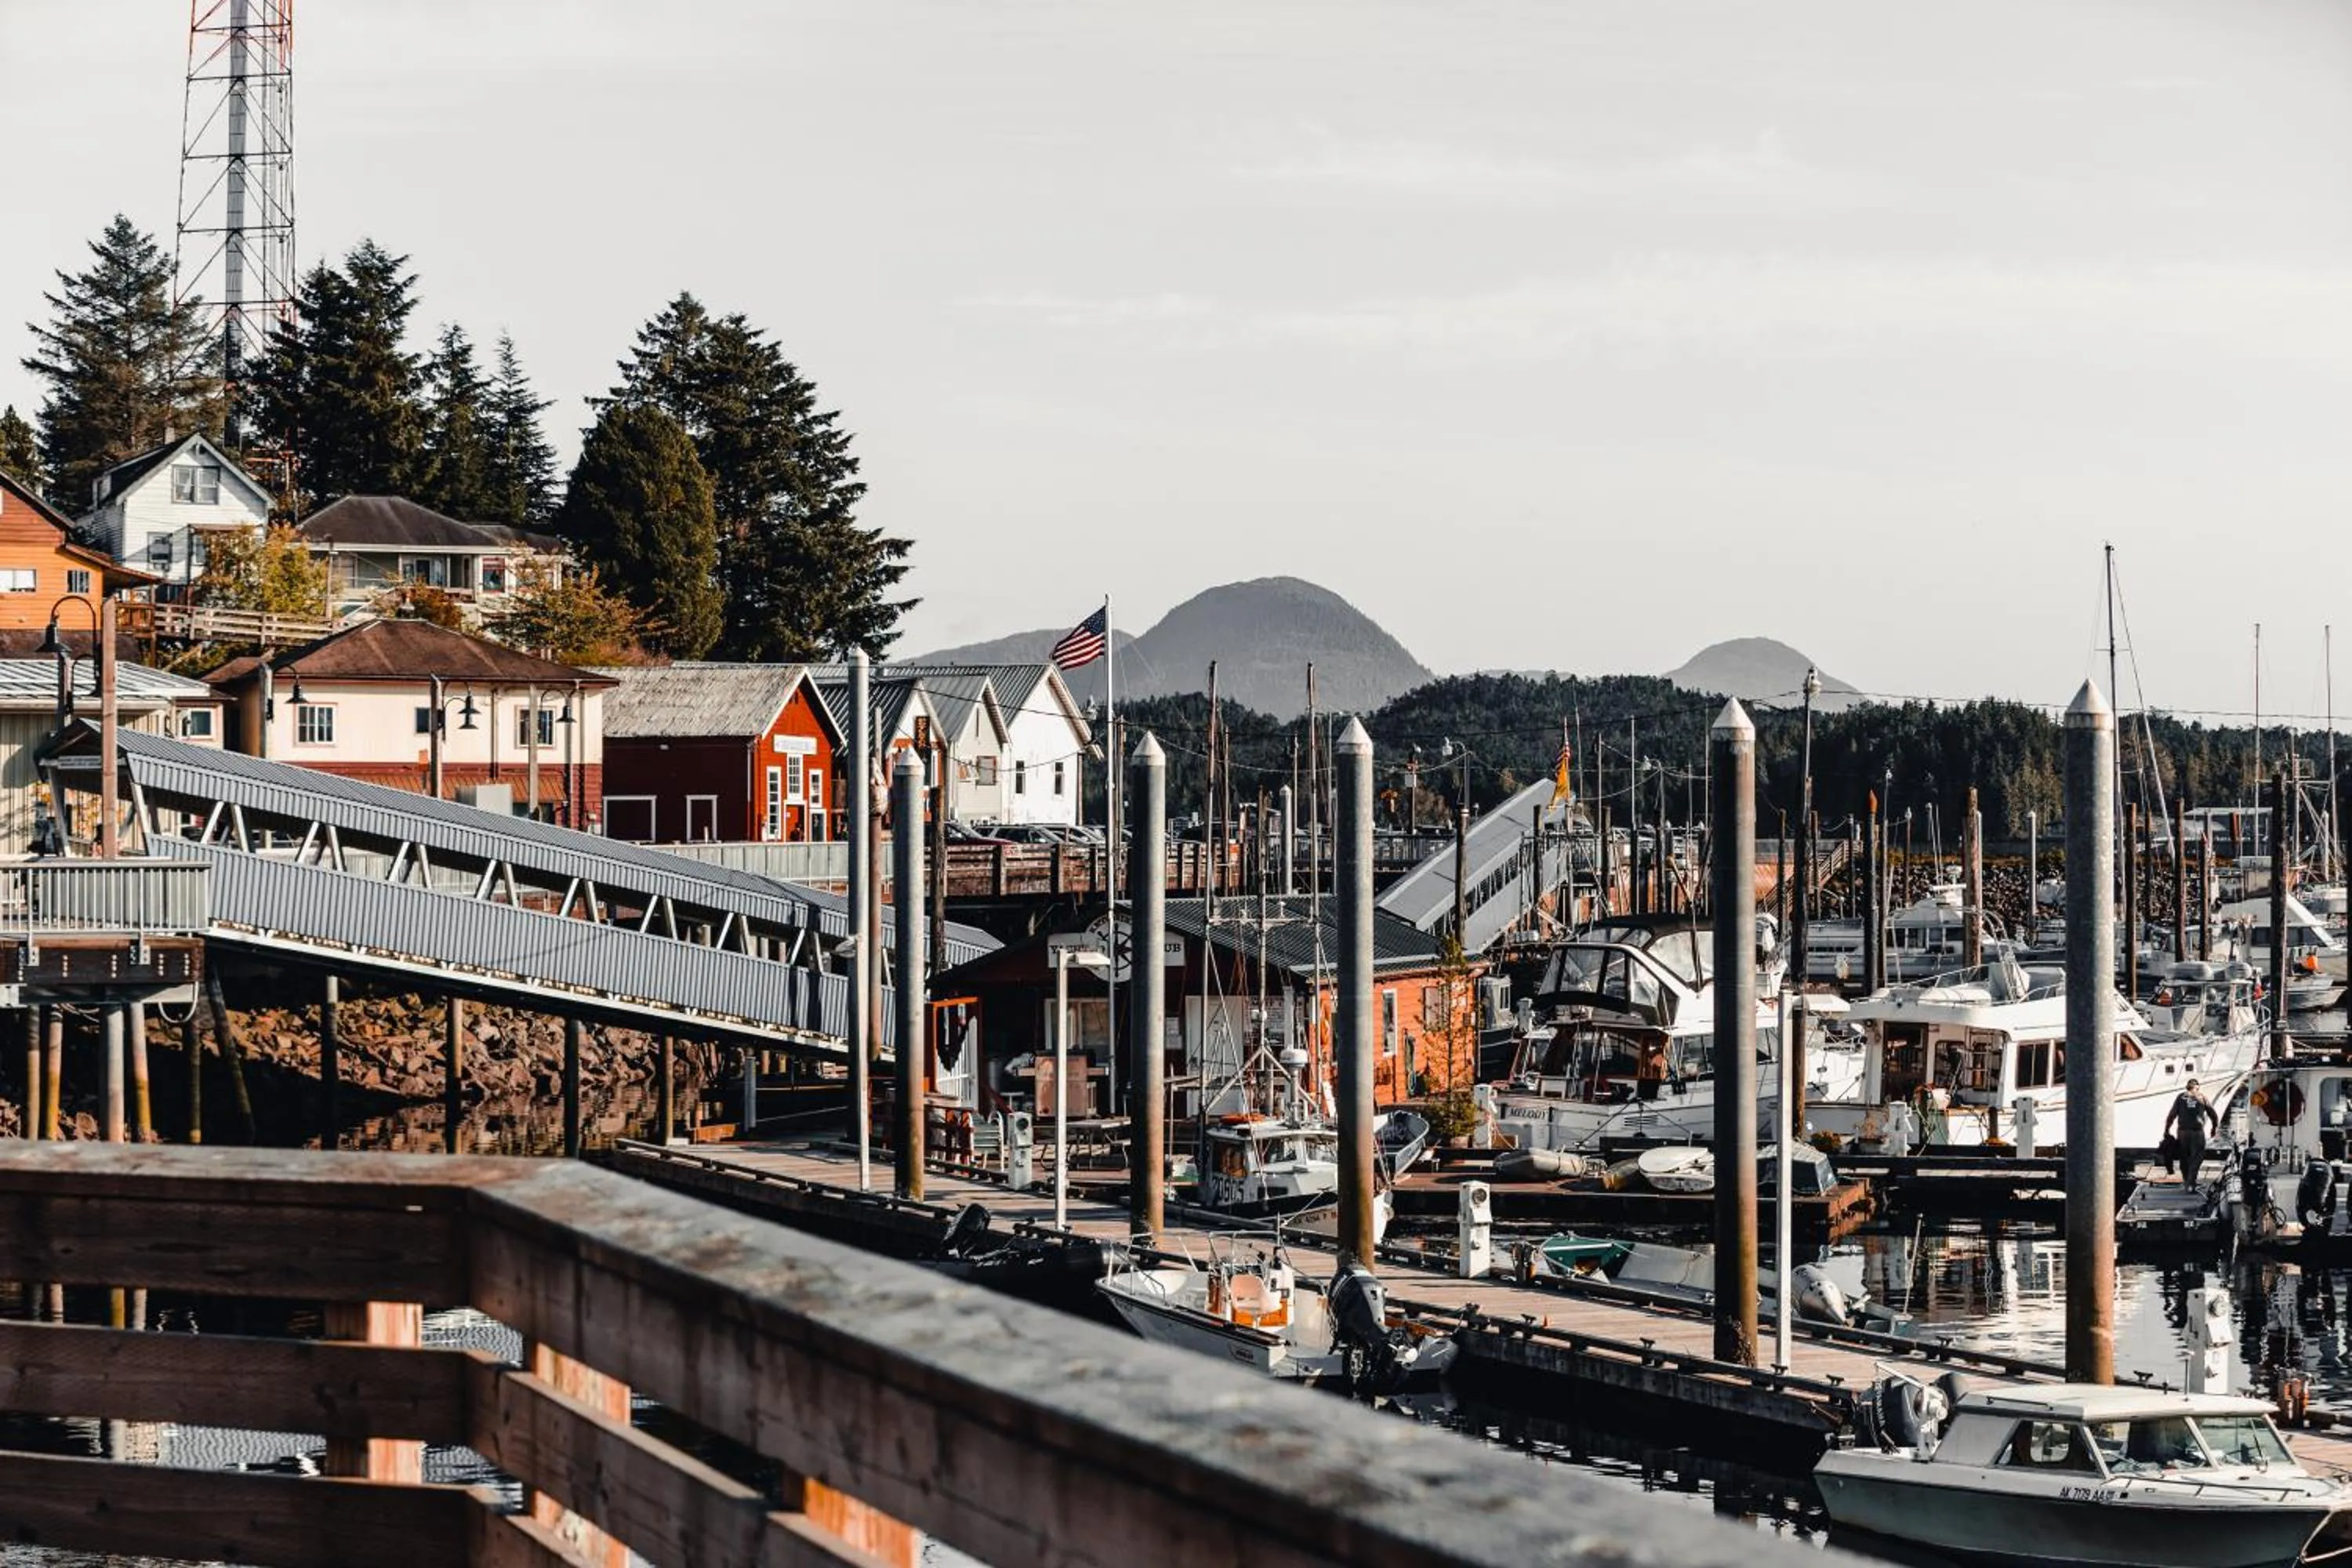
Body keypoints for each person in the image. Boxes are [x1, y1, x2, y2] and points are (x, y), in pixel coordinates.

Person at [2167, 1079, 2219, 1187]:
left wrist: (2166, 1129)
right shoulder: (2202, 1097)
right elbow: (2213, 1115)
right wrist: (2214, 1128)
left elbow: (2172, 1115)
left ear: (2187, 1087)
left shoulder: (2181, 1097)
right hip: (2197, 1133)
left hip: (2182, 1132)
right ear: (2197, 1087)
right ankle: (2191, 1182)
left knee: (2184, 1157)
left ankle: (2187, 1181)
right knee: (2197, 1157)